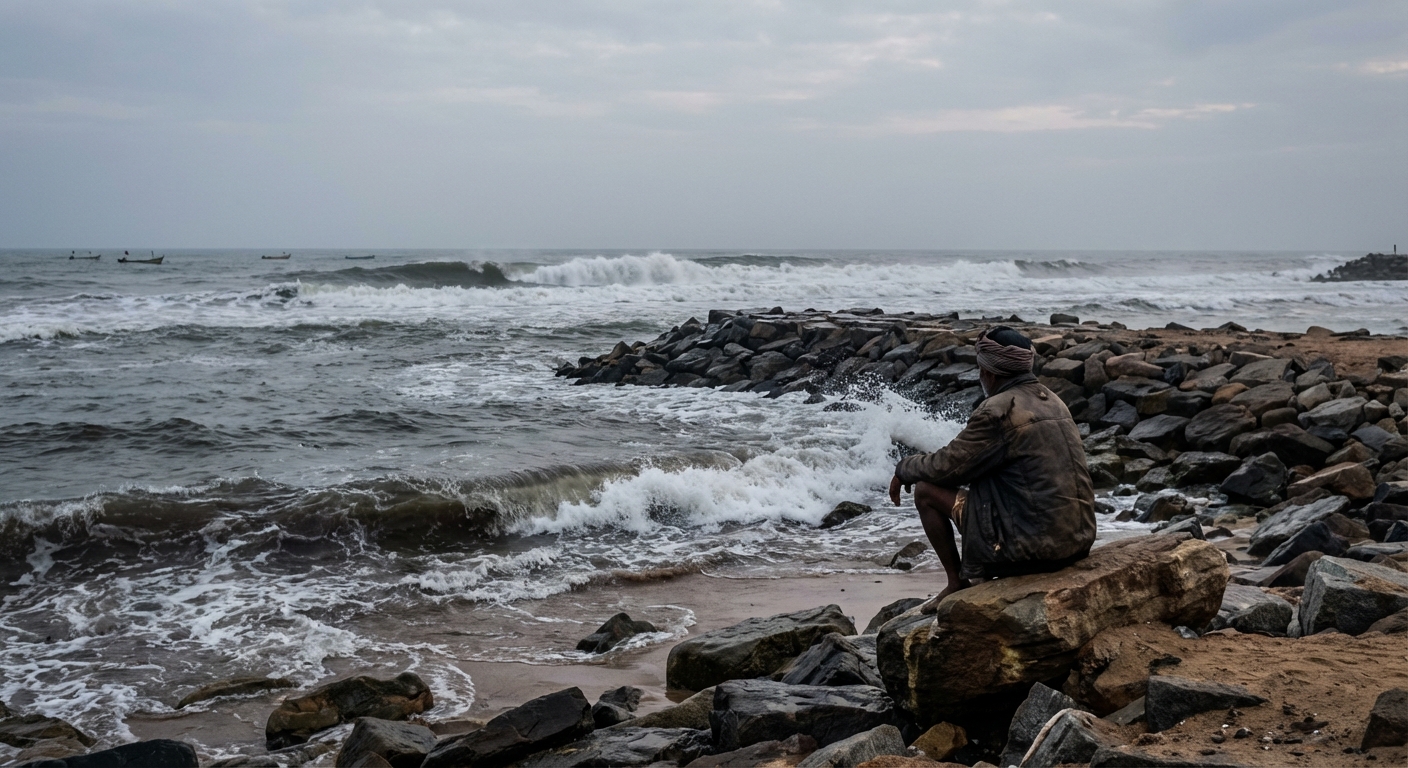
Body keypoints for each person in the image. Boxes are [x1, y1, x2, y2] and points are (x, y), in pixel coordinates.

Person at [888, 325, 1096, 612]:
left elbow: (949, 467)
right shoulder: (1054, 400)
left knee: (925, 490)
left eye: (980, 368)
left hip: (1033, 551)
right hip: (1077, 541)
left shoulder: (998, 409)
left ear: (990, 372)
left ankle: (956, 583)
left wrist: (904, 468)